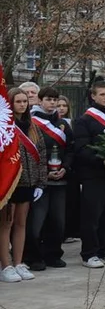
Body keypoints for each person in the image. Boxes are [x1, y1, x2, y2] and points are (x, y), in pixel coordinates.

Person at [71, 80, 105, 269]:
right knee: (92, 216)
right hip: (94, 175)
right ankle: (89, 254)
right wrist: (100, 159)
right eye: (102, 94)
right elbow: (81, 148)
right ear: (93, 96)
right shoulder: (84, 120)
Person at [24, 86, 73, 271]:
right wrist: (44, 172)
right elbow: (31, 152)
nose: (52, 103)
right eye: (48, 99)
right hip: (40, 180)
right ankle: (33, 256)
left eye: (55, 99)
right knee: (37, 220)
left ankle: (53, 254)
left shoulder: (63, 124)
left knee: (58, 220)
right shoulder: (32, 122)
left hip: (60, 178)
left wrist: (65, 167)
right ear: (40, 100)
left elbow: (70, 148)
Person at [1, 89, 46, 283]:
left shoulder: (33, 127)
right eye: (17, 101)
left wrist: (40, 182)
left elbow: (42, 154)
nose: (22, 105)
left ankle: (19, 262)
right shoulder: (5, 127)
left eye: (24, 101)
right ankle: (6, 265)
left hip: (29, 182)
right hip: (10, 183)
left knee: (21, 224)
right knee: (5, 225)